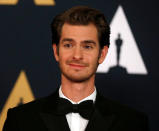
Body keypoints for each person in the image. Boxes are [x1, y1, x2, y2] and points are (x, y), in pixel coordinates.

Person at [3, 6, 149, 131]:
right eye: (68, 45)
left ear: (102, 54)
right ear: (56, 51)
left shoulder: (133, 123)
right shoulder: (20, 120)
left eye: (87, 46)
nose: (77, 55)